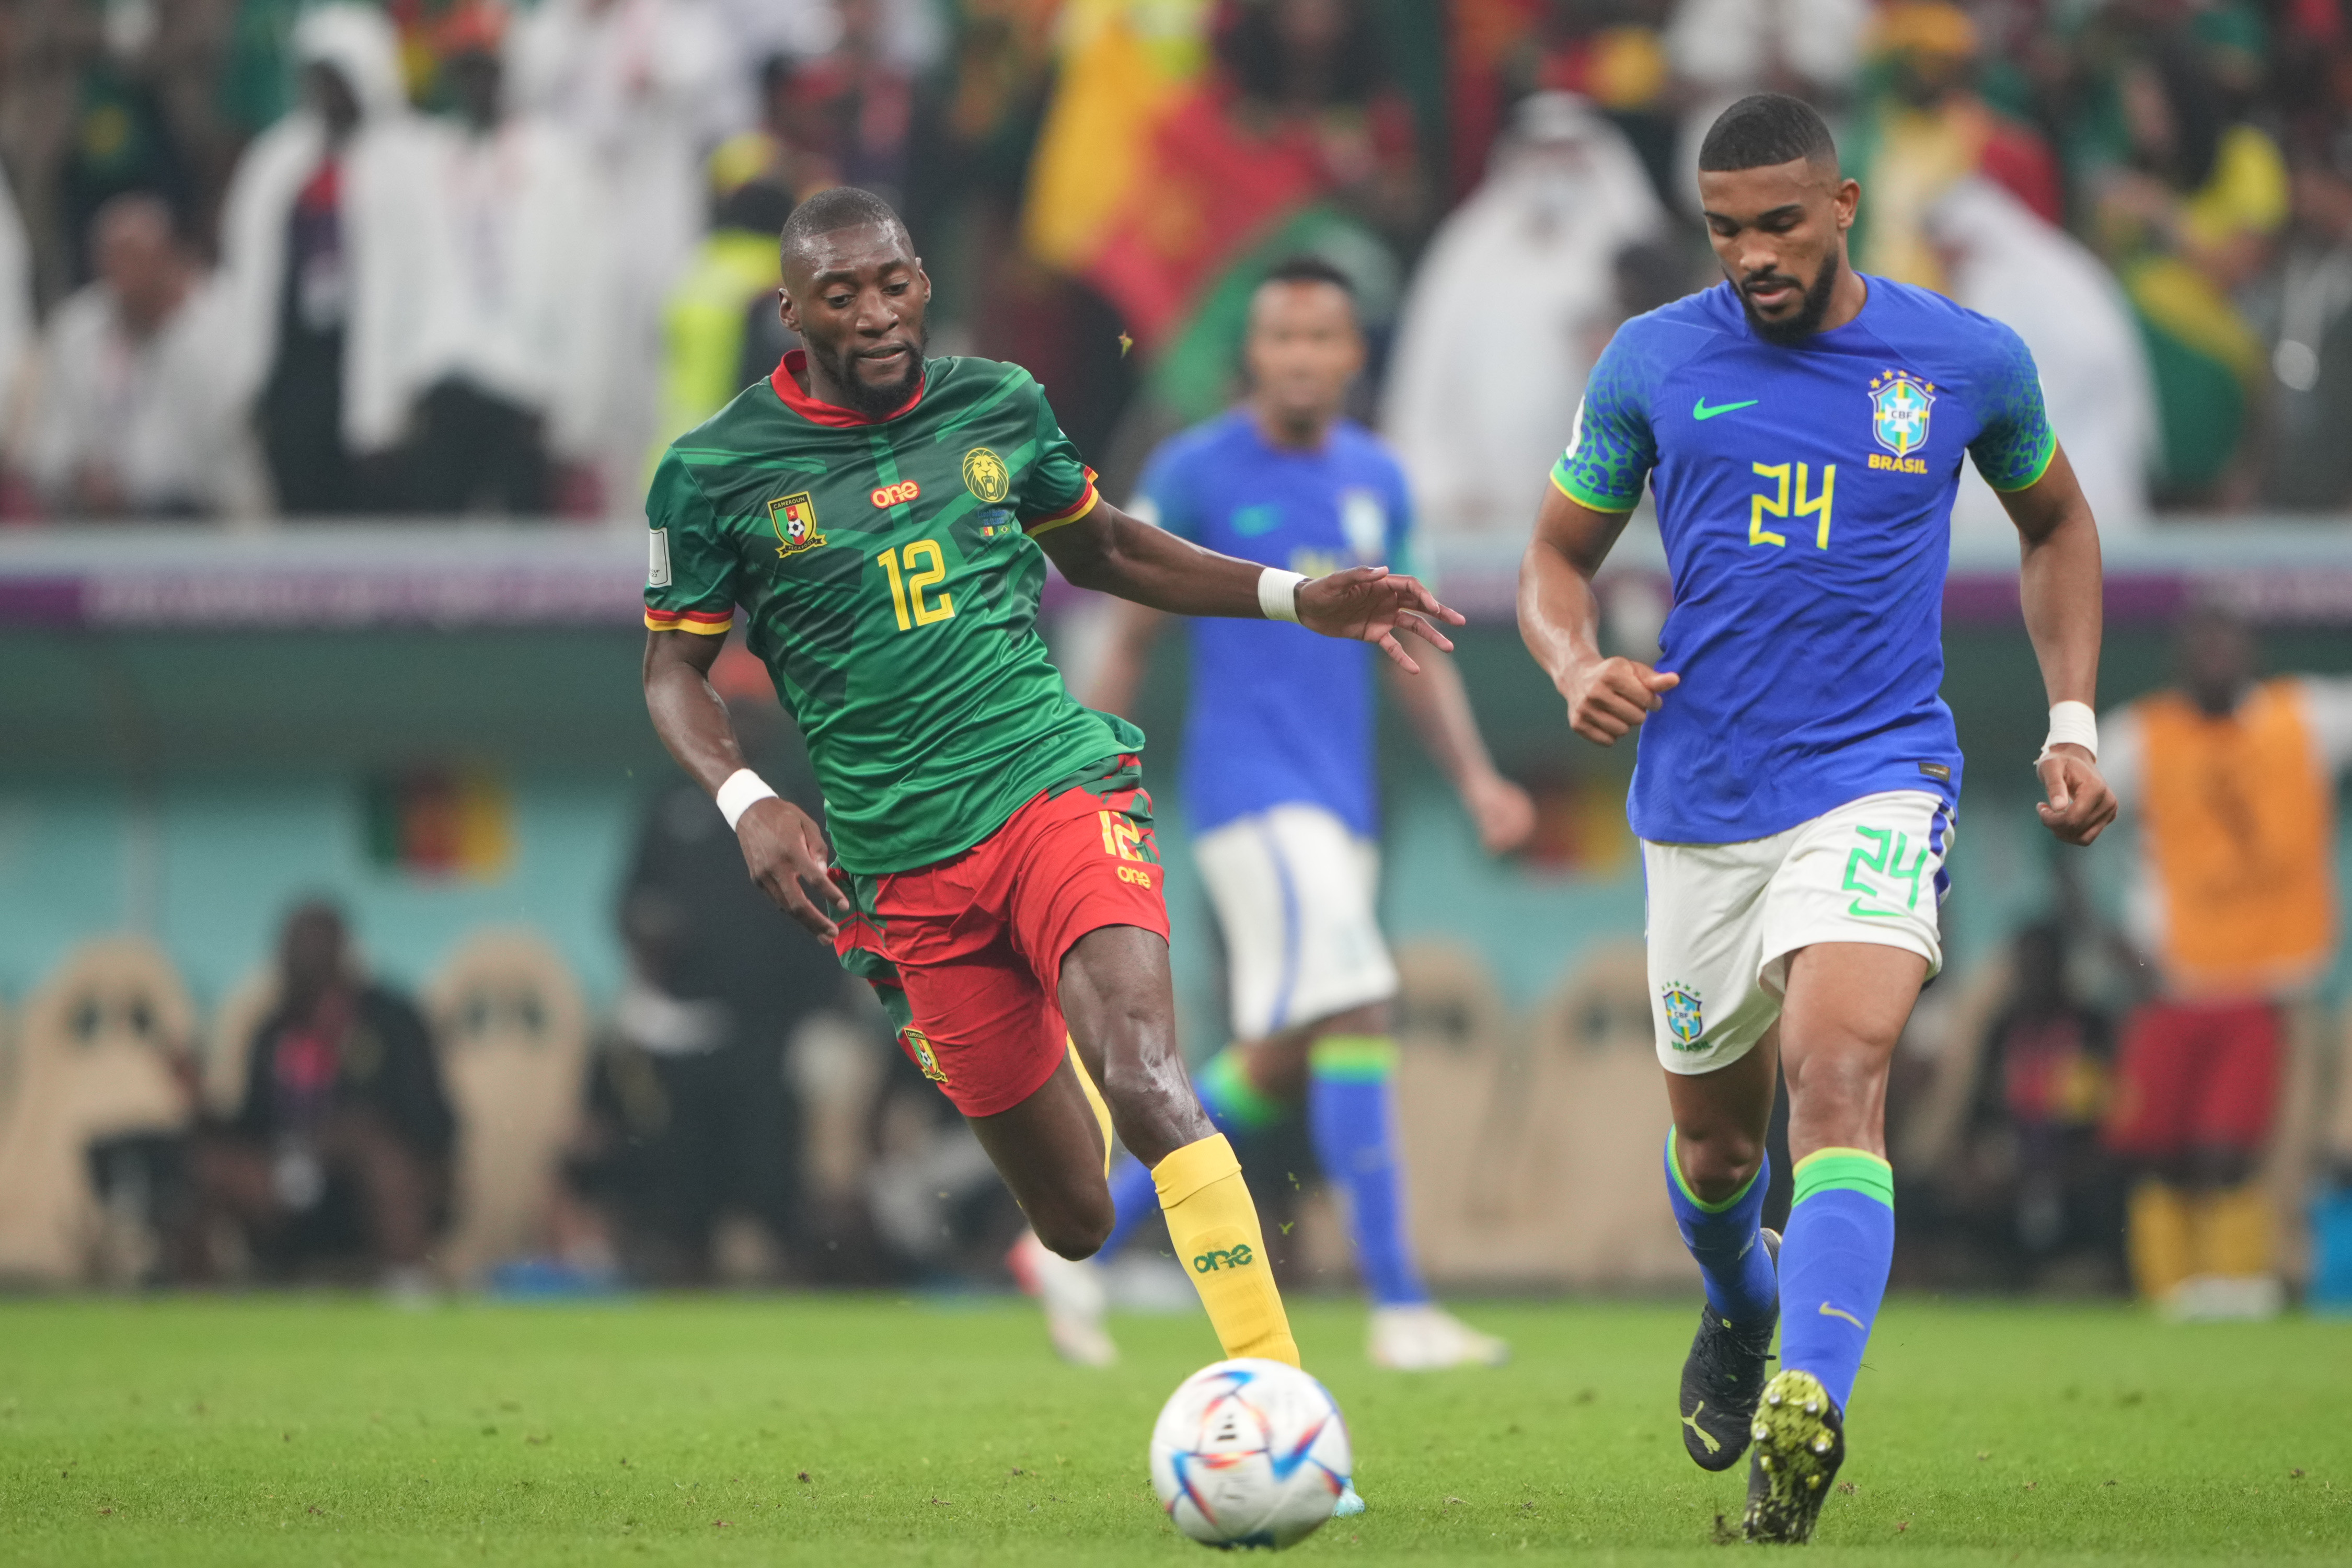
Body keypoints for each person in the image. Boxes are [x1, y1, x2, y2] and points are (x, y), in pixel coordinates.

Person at [640, 188, 1451, 1506]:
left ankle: (1286, 1409)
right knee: (1075, 1218)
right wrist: (749, 802)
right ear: (791, 314)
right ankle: (1028, 1074)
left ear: (918, 276)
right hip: (902, 870)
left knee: (1145, 1072)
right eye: (838, 295)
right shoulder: (716, 470)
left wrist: (1295, 596)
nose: (875, 312)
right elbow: (671, 678)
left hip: (1047, 786)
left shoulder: (997, 405)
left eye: (892, 281)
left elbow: (1108, 545)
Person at [1517, 94, 2114, 1541]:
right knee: (1719, 1160)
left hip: (1876, 770)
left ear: (1844, 203)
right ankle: (1742, 1304)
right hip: (1700, 803)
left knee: (1835, 1071)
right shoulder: (1651, 360)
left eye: (1779, 224)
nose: (1752, 257)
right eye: (1725, 231)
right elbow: (1551, 555)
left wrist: (2071, 721)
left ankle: (1808, 1395)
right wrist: (1571, 660)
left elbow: (2055, 525)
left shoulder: (1962, 359)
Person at [1054, 255, 1536, 1372]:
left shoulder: (1380, 478)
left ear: (1354, 355)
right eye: (1285, 339)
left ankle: (1081, 1242)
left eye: (1325, 339)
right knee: (1361, 1006)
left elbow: (1420, 647)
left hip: (1342, 803)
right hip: (1250, 797)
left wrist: (1477, 782)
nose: (1305, 358)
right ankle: (1401, 1306)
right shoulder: (1195, 468)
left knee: (1277, 1055)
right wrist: (1074, 778)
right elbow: (1129, 627)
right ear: (1254, 355)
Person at [2097, 609, 2352, 1319]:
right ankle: (2168, 1291)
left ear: (2252, 649)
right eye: (2199, 640)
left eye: (2226, 639)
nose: (2213, 653)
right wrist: (2105, 940)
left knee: (2239, 1149)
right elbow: (2057, 825)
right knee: (2156, 1146)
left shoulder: (2306, 717)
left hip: (2277, 984)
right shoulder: (2139, 734)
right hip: (2175, 981)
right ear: (2179, 657)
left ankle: (2241, 1285)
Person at [1383, 91, 1666, 544]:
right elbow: (1424, 379)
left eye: (1569, 153)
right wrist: (1442, 482)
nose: (1555, 168)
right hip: (1481, 518)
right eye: (1543, 152)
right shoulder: (1469, 252)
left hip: (1612, 522)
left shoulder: (1633, 258)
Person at [216, 3, 449, 515]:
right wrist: (246, 377)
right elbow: (247, 272)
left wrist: (406, 387)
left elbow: (429, 281)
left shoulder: (411, 162)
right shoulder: (277, 162)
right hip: (297, 366)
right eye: (317, 80)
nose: (327, 94)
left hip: (373, 366)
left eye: (338, 79)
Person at [188, 902, 456, 1293]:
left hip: (364, 1186)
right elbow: (253, 1126)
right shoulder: (273, 1032)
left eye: (313, 949)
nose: (300, 961)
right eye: (292, 951)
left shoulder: (391, 1021)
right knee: (205, 1166)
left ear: (341, 953)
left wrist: (345, 1134)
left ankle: (408, 1289)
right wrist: (201, 1105)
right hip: (283, 1182)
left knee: (374, 1151)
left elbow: (433, 1121)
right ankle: (200, 1300)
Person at [407, 1, 606, 516]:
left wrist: (573, 403)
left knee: (527, 545)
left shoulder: (555, 161)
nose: (475, 87)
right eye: (465, 74)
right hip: (448, 371)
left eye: (486, 72)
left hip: (525, 382)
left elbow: (579, 285)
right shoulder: (433, 156)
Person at [23, 193, 262, 519]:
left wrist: (173, 333)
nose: (120, 276)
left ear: (168, 259)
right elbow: (47, 448)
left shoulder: (223, 321)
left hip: (207, 518)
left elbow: (231, 444)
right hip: (97, 523)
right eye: (111, 260)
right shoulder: (78, 330)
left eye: (133, 260)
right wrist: (79, 475)